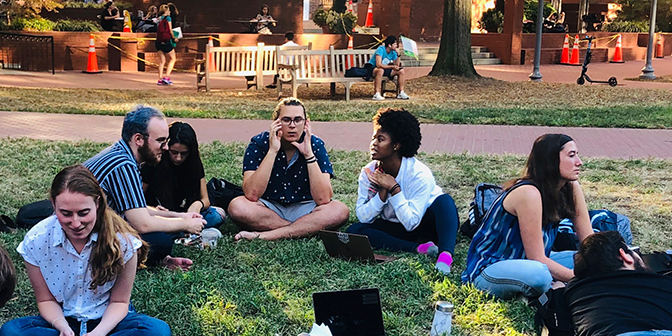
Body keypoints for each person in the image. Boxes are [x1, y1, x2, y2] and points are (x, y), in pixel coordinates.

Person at [0, 166, 171, 336]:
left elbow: (119, 303)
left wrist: (98, 334)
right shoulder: (37, 240)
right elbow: (45, 301)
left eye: (83, 213)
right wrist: (62, 328)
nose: (76, 223)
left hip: (108, 322)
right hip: (62, 321)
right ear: (53, 205)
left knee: (157, 332)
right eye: (65, 214)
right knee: (11, 334)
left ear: (97, 203)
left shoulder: (123, 241)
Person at [461, 133, 592, 299]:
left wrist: (604, 264)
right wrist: (583, 279)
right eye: (571, 155)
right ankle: (547, 289)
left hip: (535, 261)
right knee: (540, 276)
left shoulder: (570, 187)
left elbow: (590, 242)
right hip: (491, 268)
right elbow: (536, 258)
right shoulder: (528, 193)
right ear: (550, 160)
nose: (579, 162)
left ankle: (544, 289)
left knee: (594, 261)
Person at [83, 105, 202, 270]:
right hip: (85, 239)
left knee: (160, 235)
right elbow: (142, 224)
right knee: (160, 242)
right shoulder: (123, 165)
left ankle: (152, 260)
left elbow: (135, 208)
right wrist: (185, 224)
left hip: (96, 228)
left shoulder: (121, 155)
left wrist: (179, 215)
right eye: (161, 141)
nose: (166, 148)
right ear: (138, 139)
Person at [347, 108, 458, 266]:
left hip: (427, 222)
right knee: (355, 231)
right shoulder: (369, 172)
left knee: (445, 201)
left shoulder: (419, 174)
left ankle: (445, 256)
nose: (373, 144)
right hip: (396, 227)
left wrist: (394, 189)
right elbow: (364, 217)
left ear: (396, 145)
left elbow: (412, 222)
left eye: (380, 139)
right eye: (373, 138)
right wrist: (383, 192)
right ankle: (419, 249)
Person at [229, 98, 350, 242]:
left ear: (306, 123)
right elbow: (252, 194)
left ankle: (266, 235)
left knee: (340, 211)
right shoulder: (259, 143)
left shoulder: (315, 144)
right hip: (268, 207)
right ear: (275, 122)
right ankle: (303, 230)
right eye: (286, 120)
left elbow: (323, 199)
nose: (292, 126)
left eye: (298, 120)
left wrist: (309, 155)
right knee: (237, 206)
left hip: (306, 207)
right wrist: (273, 150)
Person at [142, 121, 225, 228]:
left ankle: (181, 229)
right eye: (174, 152)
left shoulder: (193, 164)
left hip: (184, 213)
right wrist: (154, 209)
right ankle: (182, 229)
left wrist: (197, 204)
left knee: (216, 216)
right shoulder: (153, 163)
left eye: (184, 153)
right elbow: (137, 199)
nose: (178, 158)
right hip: (159, 214)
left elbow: (206, 199)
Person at [371, 34, 408, 101]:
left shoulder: (393, 52)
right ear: (389, 45)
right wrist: (392, 66)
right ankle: (376, 93)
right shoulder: (381, 49)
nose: (396, 46)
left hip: (385, 69)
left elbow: (396, 65)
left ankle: (401, 92)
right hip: (373, 68)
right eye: (395, 44)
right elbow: (378, 64)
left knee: (401, 71)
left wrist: (398, 55)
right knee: (380, 70)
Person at [154, 4, 178, 86]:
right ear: (166, 11)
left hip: (158, 41)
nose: (170, 12)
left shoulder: (159, 19)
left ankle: (160, 79)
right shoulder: (168, 18)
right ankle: (167, 77)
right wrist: (174, 38)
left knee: (162, 61)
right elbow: (170, 30)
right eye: (168, 10)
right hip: (166, 41)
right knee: (173, 59)